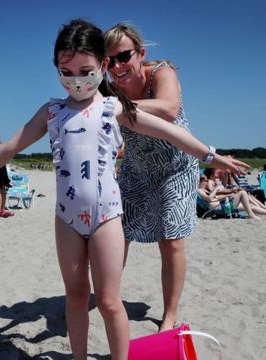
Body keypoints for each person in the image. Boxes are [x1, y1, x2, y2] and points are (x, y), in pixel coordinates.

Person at [0, 19, 248, 359]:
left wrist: (212, 156)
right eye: (66, 71)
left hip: (107, 217)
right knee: (76, 297)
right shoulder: (51, 111)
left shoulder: (113, 108)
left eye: (85, 70)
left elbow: (169, 131)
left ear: (104, 65)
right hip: (66, 219)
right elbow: (11, 146)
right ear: (56, 69)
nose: (76, 80)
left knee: (110, 301)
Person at [104, 23, 197, 331]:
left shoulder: (161, 72)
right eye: (109, 61)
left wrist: (115, 107)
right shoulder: (109, 89)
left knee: (170, 242)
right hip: (135, 168)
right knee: (119, 236)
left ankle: (169, 315)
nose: (117, 66)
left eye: (123, 56)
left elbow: (169, 109)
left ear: (140, 54)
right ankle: (109, 297)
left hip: (175, 167)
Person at [198, 175, 266, 219]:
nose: (207, 182)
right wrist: (216, 188)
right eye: (206, 180)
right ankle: (251, 215)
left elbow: (215, 198)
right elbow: (209, 199)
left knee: (249, 206)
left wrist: (228, 195)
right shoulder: (199, 191)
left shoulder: (206, 191)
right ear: (201, 181)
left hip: (222, 205)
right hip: (219, 209)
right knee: (243, 193)